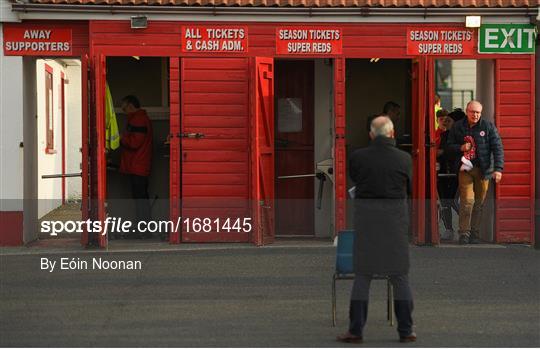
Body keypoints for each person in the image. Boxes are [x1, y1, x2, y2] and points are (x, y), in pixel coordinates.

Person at [338, 115, 415, 344]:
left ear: (371, 135)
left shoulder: (358, 157)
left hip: (367, 222)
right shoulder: (405, 159)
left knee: (363, 276)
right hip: (395, 224)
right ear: (392, 134)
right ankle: (406, 330)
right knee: (399, 276)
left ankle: (356, 330)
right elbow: (408, 187)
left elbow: (355, 177)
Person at [446, 100, 504, 245]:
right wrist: (460, 148)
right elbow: (448, 147)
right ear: (467, 111)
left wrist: (498, 169)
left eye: (478, 112)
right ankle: (464, 233)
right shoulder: (458, 127)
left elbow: (497, 148)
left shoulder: (488, 126)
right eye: (473, 112)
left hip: (484, 170)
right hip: (465, 169)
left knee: (479, 203)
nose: (476, 115)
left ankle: (474, 233)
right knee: (467, 201)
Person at [119, 95, 153, 239]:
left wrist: (121, 138)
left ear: (131, 106)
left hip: (137, 165)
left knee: (140, 199)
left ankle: (143, 230)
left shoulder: (138, 119)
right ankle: (143, 229)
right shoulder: (139, 118)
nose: (123, 110)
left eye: (124, 107)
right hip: (139, 165)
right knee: (141, 199)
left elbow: (135, 143)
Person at [436, 109, 462, 240]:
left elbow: (454, 151)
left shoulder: (462, 136)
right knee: (445, 202)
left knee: (451, 200)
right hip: (442, 171)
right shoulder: (445, 135)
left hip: (457, 172)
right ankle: (448, 229)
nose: (446, 122)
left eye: (449, 120)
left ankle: (465, 225)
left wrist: (443, 151)